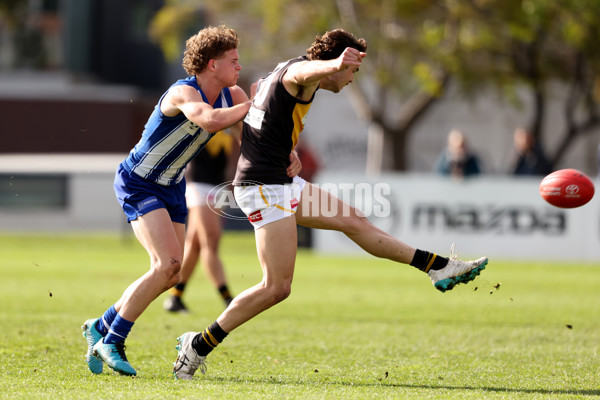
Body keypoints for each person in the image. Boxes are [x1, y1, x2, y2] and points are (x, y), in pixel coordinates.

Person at [172, 28, 488, 380]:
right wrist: (332, 64)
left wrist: (284, 151)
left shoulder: (286, 71)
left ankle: (436, 267)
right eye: (351, 70)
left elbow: (265, 104)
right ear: (333, 63)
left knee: (355, 221)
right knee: (276, 287)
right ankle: (198, 344)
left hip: (281, 181)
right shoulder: (301, 73)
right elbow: (300, 75)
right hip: (262, 188)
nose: (351, 78)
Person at [80, 25, 301, 377]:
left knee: (171, 273)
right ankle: (112, 340)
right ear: (212, 64)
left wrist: (286, 154)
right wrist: (255, 104)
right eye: (233, 60)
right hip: (140, 182)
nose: (239, 67)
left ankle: (101, 325)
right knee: (166, 265)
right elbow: (210, 121)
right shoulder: (184, 92)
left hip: (172, 187)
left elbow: (251, 139)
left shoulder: (232, 94)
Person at [163, 130, 238, 312]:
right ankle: (229, 300)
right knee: (210, 243)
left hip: (217, 186)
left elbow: (233, 154)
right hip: (197, 184)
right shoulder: (205, 112)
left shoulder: (231, 116)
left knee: (195, 243)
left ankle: (175, 298)